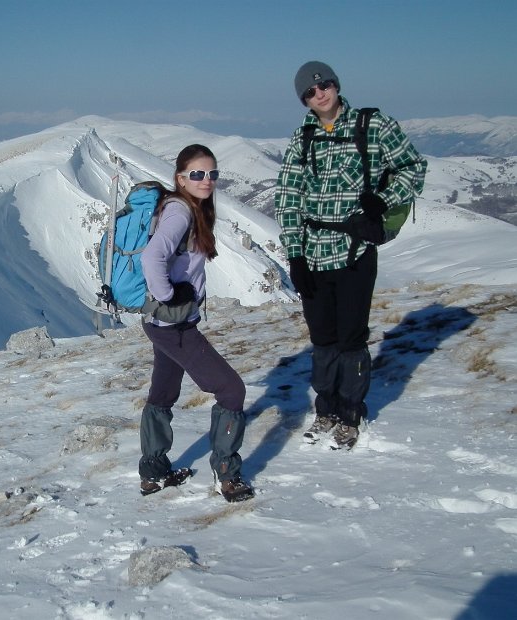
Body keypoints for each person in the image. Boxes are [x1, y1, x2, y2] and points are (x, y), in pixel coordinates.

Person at [274, 61, 427, 449]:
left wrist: (381, 202)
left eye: (323, 84)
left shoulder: (372, 125)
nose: (319, 93)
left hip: (354, 248)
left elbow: (413, 166)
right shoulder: (303, 136)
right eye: (309, 92)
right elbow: (288, 197)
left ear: (336, 85)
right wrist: (295, 254)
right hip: (312, 250)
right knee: (322, 337)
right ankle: (325, 408)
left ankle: (349, 413)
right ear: (304, 100)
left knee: (351, 337)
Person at [138, 144, 253, 502]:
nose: (207, 180)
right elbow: (152, 256)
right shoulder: (180, 213)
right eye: (198, 174)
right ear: (180, 178)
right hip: (173, 325)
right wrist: (169, 296)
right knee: (232, 390)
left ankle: (154, 474)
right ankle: (227, 476)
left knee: (162, 393)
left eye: (212, 174)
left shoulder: (186, 209)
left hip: (162, 323)